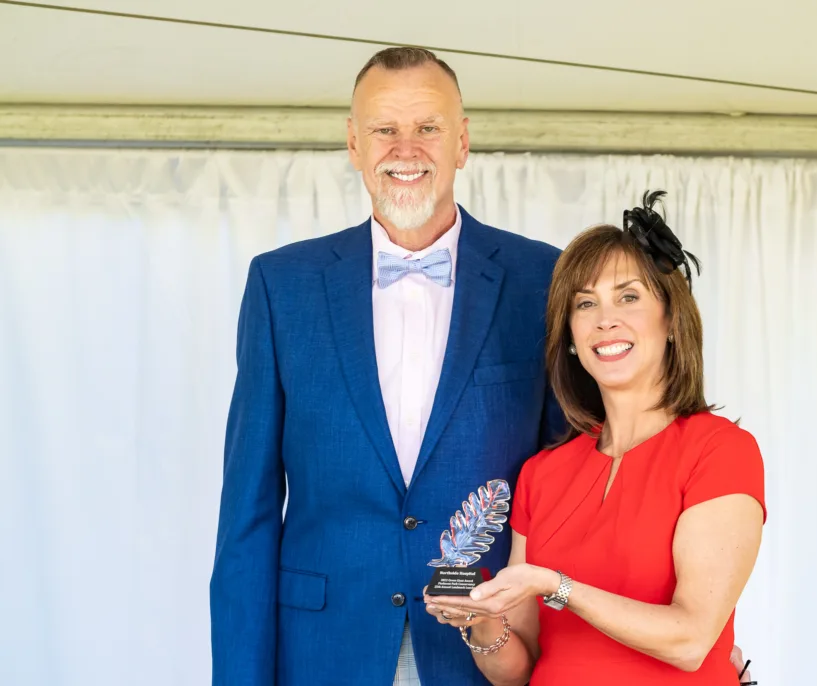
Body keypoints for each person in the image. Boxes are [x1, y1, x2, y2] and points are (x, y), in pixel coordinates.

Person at [209, 44, 755, 686]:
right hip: (323, 650)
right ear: (353, 144)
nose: (405, 148)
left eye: (428, 128)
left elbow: (591, 485)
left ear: (462, 142)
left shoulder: (543, 280)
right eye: (385, 129)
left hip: (485, 657)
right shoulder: (283, 286)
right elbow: (245, 515)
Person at [426, 191, 766, 685]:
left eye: (628, 296)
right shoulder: (542, 474)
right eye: (585, 304)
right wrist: (482, 622)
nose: (606, 319)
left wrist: (557, 586)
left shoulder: (719, 451)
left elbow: (690, 640)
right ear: (569, 335)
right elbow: (516, 672)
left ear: (670, 319)